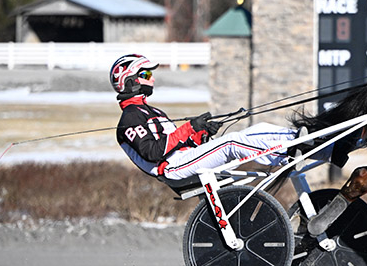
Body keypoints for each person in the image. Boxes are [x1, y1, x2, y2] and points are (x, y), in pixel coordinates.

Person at [111, 53, 316, 182]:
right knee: (231, 143)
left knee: (254, 129)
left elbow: (179, 143)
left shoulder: (152, 111)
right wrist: (190, 127)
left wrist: (200, 133)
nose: (152, 78)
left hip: (184, 159)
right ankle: (286, 156)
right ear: (129, 81)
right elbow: (153, 152)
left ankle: (298, 138)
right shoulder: (129, 118)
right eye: (146, 75)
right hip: (173, 169)